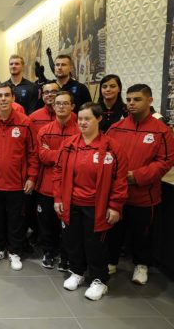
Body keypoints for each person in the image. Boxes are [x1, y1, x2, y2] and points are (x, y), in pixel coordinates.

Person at [54, 102, 128, 301]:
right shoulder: (69, 145)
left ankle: (99, 280)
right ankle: (77, 271)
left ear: (99, 119)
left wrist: (115, 206)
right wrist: (58, 197)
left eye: (88, 118)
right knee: (72, 241)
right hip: (72, 203)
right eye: (80, 119)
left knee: (95, 244)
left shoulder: (112, 147)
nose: (83, 123)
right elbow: (58, 172)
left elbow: (120, 180)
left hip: (97, 206)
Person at [106, 84, 174, 284]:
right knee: (114, 230)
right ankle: (111, 261)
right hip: (117, 193)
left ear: (149, 101)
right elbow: (104, 153)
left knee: (141, 234)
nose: (131, 104)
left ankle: (141, 265)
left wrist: (136, 176)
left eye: (137, 99)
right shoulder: (116, 128)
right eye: (128, 100)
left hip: (145, 195)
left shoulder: (161, 131)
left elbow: (165, 161)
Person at [0, 83, 39, 271]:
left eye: (7, 95)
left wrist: (31, 177)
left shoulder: (25, 122)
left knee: (16, 220)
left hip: (17, 183)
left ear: (13, 98)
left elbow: (33, 153)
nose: (3, 99)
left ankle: (14, 251)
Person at [36, 91, 79, 270]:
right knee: (47, 224)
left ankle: (66, 256)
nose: (61, 106)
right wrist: (65, 155)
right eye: (58, 103)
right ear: (53, 107)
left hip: (70, 187)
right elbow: (43, 156)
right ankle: (49, 252)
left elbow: (78, 158)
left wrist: (54, 153)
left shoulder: (79, 130)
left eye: (65, 103)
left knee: (67, 225)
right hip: (46, 186)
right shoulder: (44, 130)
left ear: (72, 107)